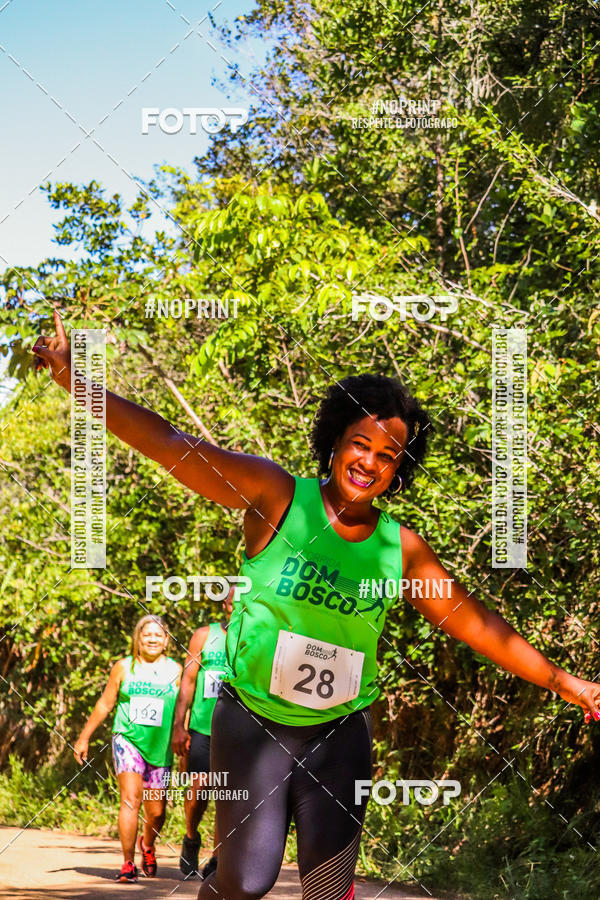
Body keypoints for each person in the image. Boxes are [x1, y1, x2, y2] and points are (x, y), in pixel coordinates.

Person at [36, 312, 600, 900]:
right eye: (361, 444)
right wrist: (77, 381)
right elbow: (175, 447)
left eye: (388, 456)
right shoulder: (276, 496)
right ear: (335, 441)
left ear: (398, 472)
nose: (370, 463)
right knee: (245, 882)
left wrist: (567, 683)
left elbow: (478, 623)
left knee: (328, 891)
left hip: (341, 730)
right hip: (251, 723)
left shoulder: (400, 549)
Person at [73, 614, 182, 884]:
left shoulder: (177, 670)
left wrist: (184, 736)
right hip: (127, 739)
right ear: (138, 639)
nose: (153, 639)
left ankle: (148, 844)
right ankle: (127, 863)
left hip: (161, 744)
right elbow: (105, 703)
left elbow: (183, 710)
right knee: (130, 800)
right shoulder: (123, 667)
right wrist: (84, 737)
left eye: (158, 635)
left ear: (167, 640)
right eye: (147, 635)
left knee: (156, 811)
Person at [172, 590, 234, 879]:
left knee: (228, 796)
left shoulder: (258, 636)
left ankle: (218, 857)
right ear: (225, 605)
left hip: (238, 732)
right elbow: (188, 680)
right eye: (232, 604)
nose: (237, 609)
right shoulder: (203, 635)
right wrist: (178, 726)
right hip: (202, 727)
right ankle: (191, 837)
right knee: (199, 790)